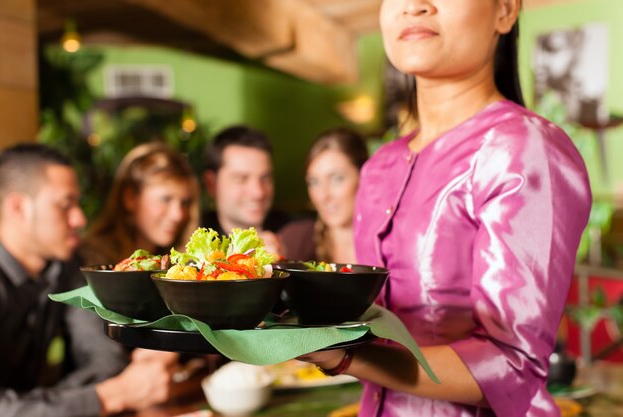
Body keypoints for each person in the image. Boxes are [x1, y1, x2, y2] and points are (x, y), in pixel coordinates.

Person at [299, 1, 592, 417]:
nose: (414, 6)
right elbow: (373, 319)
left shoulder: (523, 149)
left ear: (505, 12)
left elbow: (513, 366)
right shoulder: (378, 166)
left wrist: (344, 356)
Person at [0, 143, 175, 416]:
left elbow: (103, 357)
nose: (80, 218)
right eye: (65, 205)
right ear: (18, 207)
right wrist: (108, 396)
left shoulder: (64, 267)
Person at [80, 142, 200, 266]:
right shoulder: (91, 260)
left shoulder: (181, 263)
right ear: (130, 198)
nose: (178, 215)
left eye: (185, 202)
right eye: (165, 199)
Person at [279, 128, 368, 263]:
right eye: (314, 182)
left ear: (364, 176)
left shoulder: (388, 246)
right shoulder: (294, 241)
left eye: (337, 178)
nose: (323, 196)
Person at [202, 125, 288, 251]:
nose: (258, 192)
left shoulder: (294, 235)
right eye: (241, 179)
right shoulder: (190, 240)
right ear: (211, 184)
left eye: (265, 178)